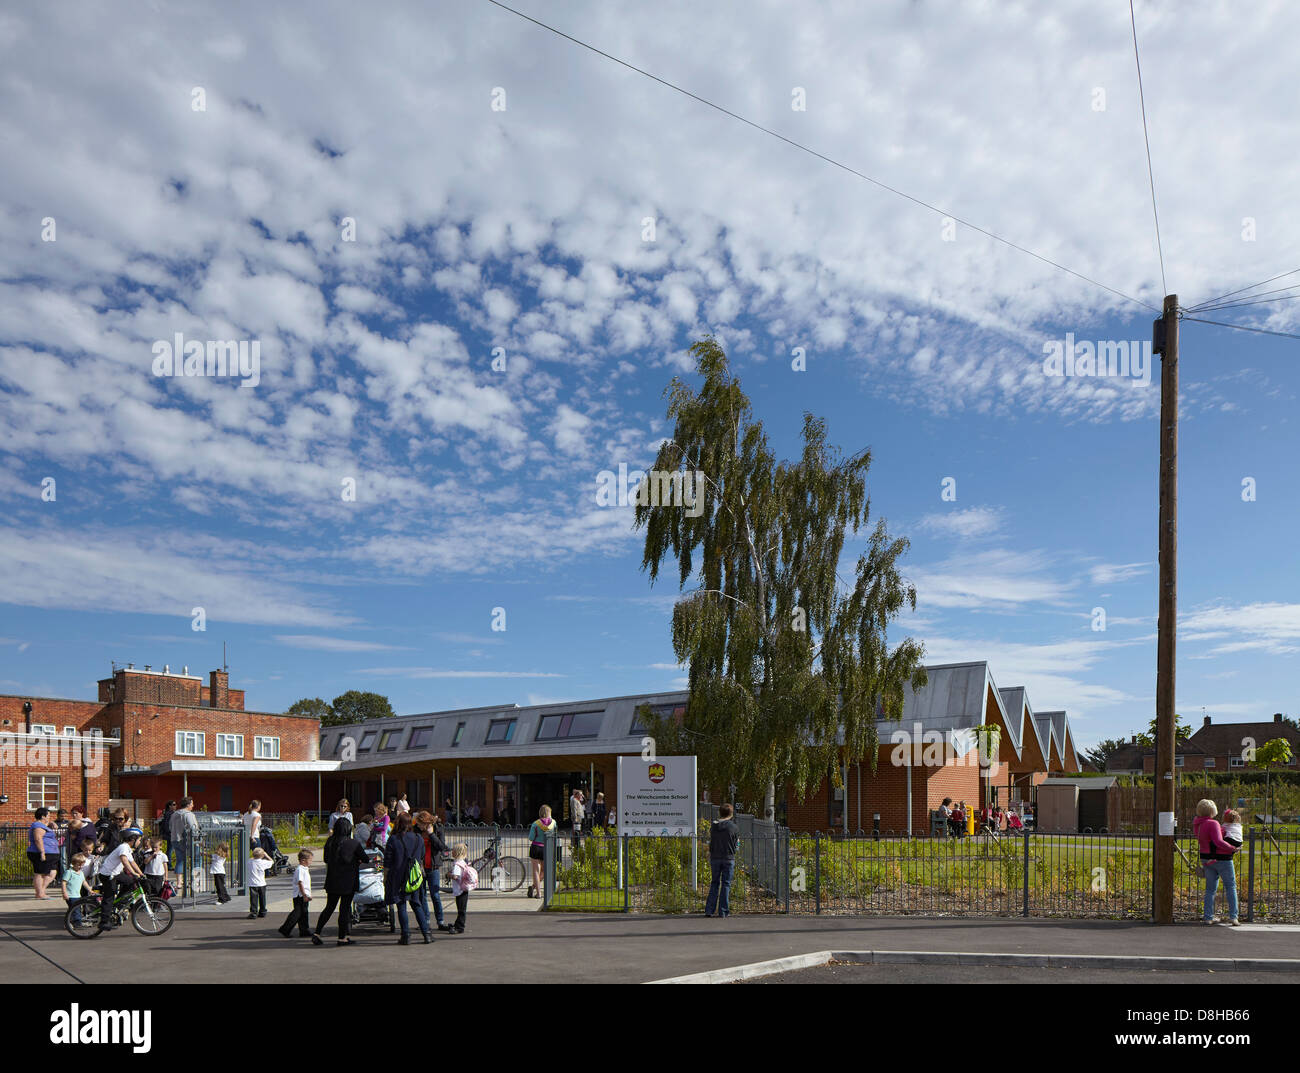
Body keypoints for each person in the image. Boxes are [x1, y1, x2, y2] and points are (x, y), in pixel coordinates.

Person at [313, 817, 367, 946]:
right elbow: (365, 858)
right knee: (344, 909)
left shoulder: (330, 841)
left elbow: (326, 859)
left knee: (329, 907)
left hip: (332, 879)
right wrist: (356, 860)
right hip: (348, 880)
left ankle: (317, 933)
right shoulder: (353, 843)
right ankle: (342, 937)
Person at [383, 812, 432, 945]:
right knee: (417, 904)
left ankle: (406, 936)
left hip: (398, 876)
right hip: (414, 877)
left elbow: (387, 861)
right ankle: (426, 934)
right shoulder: (418, 838)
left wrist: (385, 878)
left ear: (398, 823)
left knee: (401, 905)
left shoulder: (393, 839)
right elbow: (421, 856)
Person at [1194, 799, 1240, 925]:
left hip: (1205, 858)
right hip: (1221, 859)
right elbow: (1218, 841)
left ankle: (1208, 917)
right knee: (1230, 886)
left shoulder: (1197, 824)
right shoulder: (1213, 823)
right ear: (1212, 810)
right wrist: (1232, 848)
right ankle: (1233, 916)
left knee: (1210, 889)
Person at [97, 829, 145, 932]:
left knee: (131, 882)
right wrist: (133, 873)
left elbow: (132, 862)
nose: (139, 842)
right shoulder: (123, 847)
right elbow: (124, 861)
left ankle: (118, 904)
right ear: (133, 839)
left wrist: (141, 874)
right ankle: (104, 922)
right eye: (139, 840)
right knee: (109, 896)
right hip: (107, 875)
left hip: (115, 874)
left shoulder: (128, 848)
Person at [415, 811, 450, 933]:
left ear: (426, 823)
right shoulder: (417, 831)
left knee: (435, 895)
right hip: (421, 867)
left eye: (420, 824)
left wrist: (431, 835)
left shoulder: (438, 829)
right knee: (422, 895)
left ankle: (440, 921)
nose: (418, 826)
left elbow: (442, 846)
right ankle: (426, 922)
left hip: (433, 866)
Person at [705, 803, 740, 918]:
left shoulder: (714, 826)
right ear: (731, 814)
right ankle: (723, 911)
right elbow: (737, 845)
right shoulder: (734, 827)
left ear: (720, 812)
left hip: (715, 857)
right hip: (728, 858)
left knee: (714, 883)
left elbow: (711, 841)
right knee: (726, 884)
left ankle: (709, 910)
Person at [278, 849, 315, 939]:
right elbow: (300, 883)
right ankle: (285, 929)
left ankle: (304, 930)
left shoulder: (305, 869)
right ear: (303, 860)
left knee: (304, 913)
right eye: (310, 860)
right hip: (300, 895)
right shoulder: (300, 870)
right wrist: (305, 895)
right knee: (297, 913)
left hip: (303, 895)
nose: (311, 862)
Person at [27, 808, 59, 899]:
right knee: (40, 873)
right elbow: (38, 839)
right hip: (40, 852)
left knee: (52, 873)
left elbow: (47, 824)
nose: (49, 817)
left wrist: (51, 823)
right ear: (43, 816)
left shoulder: (42, 825)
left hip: (51, 853)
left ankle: (41, 891)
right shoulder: (37, 826)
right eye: (48, 816)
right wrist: (42, 852)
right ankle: (40, 894)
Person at [170, 798, 199, 894]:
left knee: (180, 860)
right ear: (188, 804)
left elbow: (170, 826)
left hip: (174, 839)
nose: (193, 806)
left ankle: (179, 882)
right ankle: (195, 880)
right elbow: (193, 828)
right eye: (192, 804)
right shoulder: (189, 815)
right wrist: (197, 838)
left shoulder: (174, 814)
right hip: (187, 841)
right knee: (196, 858)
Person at [527, 805, 556, 899]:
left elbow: (531, 838)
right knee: (544, 871)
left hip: (536, 847)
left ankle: (538, 893)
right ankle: (534, 887)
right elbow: (555, 835)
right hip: (547, 848)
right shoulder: (554, 823)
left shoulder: (535, 824)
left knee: (536, 871)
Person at [449, 842, 477, 933]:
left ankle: (460, 927)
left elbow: (455, 876)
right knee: (461, 908)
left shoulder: (457, 864)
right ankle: (457, 924)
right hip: (464, 888)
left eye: (453, 850)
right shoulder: (463, 862)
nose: (451, 852)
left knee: (461, 910)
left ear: (457, 852)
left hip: (460, 890)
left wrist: (449, 874)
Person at [62, 853, 92, 926]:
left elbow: (84, 882)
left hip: (77, 895)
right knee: (76, 910)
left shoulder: (81, 873)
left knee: (75, 910)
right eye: (78, 865)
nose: (80, 867)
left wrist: (89, 890)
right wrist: (64, 893)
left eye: (82, 865)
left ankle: (70, 922)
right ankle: (78, 923)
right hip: (70, 895)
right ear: (73, 864)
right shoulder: (69, 872)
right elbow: (63, 883)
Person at [247, 847, 273, 918]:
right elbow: (271, 861)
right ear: (262, 855)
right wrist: (266, 855)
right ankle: (263, 911)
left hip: (252, 884)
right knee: (262, 898)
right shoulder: (263, 862)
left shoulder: (250, 861)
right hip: (262, 883)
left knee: (253, 899)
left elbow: (252, 858)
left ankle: (254, 913)